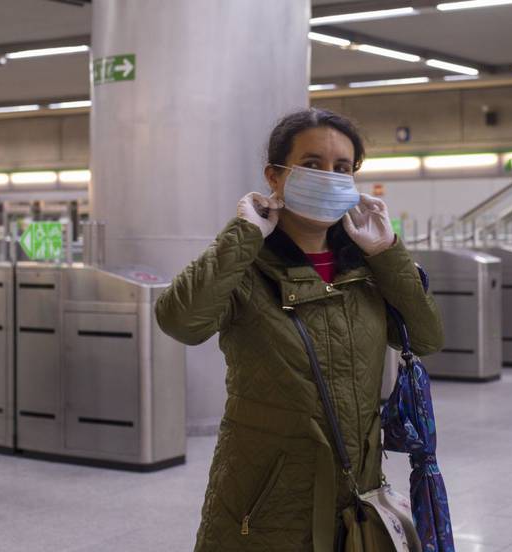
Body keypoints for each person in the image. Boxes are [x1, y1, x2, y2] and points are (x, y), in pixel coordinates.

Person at [155, 108, 444, 550]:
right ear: (275, 176)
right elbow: (180, 321)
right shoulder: (247, 267)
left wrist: (387, 252)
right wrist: (243, 235)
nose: (329, 176)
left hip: (356, 501)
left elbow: (427, 338)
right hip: (266, 506)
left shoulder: (366, 270)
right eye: (312, 165)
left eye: (342, 168)